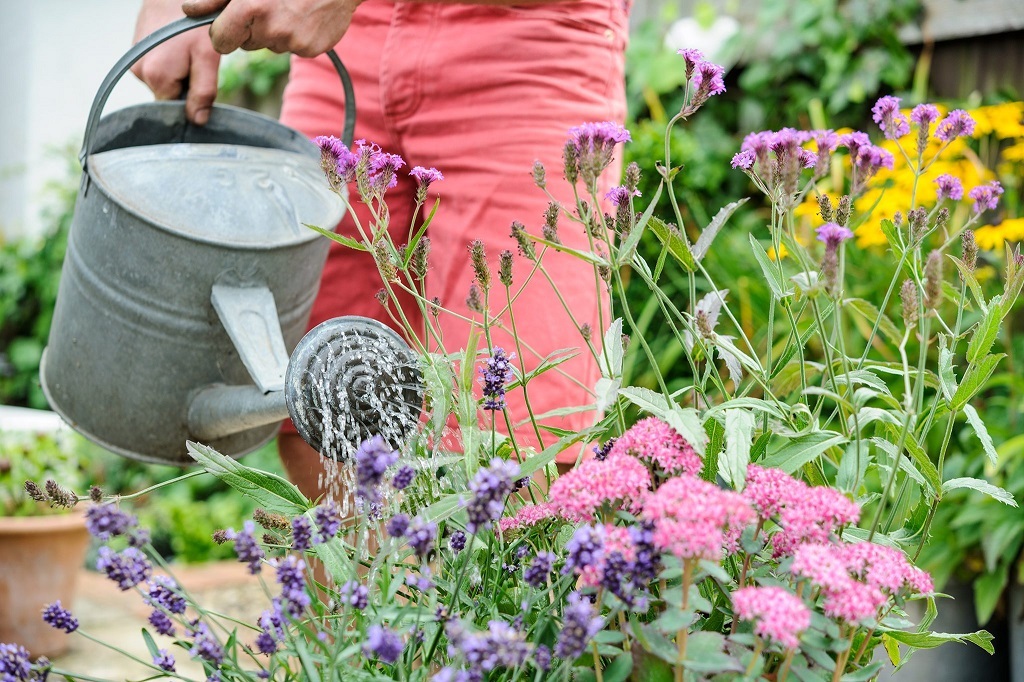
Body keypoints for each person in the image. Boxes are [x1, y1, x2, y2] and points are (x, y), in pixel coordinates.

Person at [132, 0, 630, 499]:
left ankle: (487, 578)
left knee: (513, 420)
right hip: (345, 45)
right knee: (320, 391)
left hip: (526, 39)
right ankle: (365, 580)